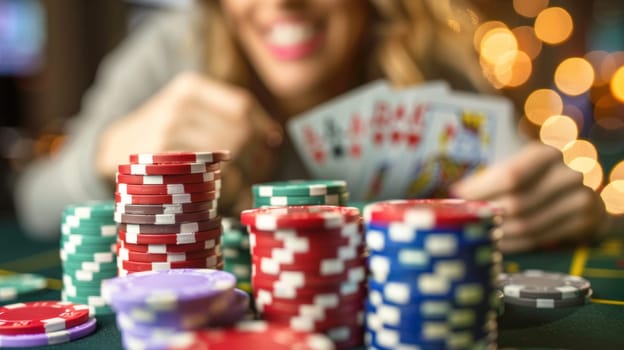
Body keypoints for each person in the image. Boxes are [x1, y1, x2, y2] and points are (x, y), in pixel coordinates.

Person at [14, 0, 620, 253]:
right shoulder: (172, 48)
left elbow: (526, 175)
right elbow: (35, 201)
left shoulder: (431, 56)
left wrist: (566, 205)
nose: (282, 4)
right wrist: (110, 152)